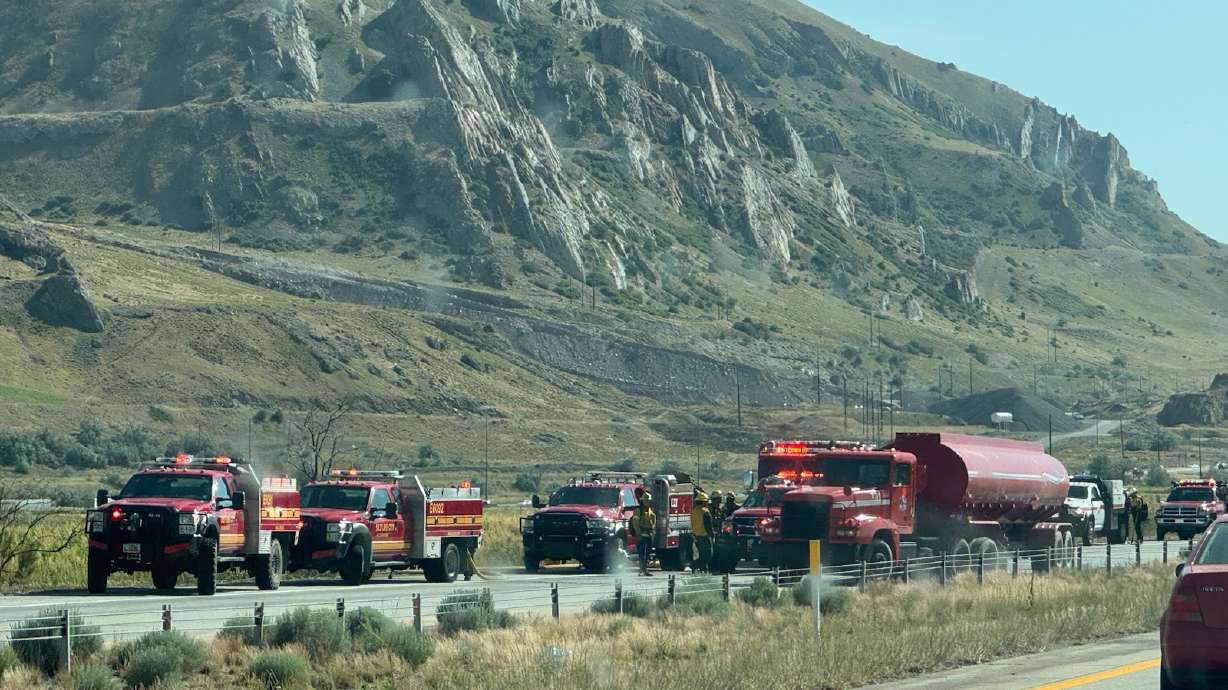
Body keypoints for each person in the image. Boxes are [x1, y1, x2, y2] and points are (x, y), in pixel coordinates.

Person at [631, 491, 656, 577]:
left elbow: (653, 524)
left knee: (647, 554)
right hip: (641, 536)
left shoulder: (650, 511)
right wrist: (638, 534)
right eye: (646, 501)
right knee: (642, 554)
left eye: (649, 501)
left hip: (649, 535)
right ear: (642, 501)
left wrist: (652, 534)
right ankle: (642, 570)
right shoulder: (638, 511)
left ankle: (645, 570)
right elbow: (635, 523)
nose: (647, 502)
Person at [690, 491, 714, 573]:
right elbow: (708, 526)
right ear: (703, 502)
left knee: (702, 554)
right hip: (705, 537)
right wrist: (712, 536)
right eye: (706, 502)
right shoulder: (705, 511)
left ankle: (704, 569)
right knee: (708, 555)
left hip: (697, 536)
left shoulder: (693, 511)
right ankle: (695, 565)